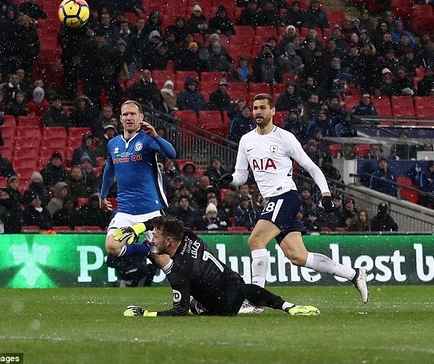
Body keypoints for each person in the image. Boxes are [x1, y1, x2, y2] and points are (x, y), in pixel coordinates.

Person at [218, 93, 369, 308]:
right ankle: (354, 273)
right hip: (272, 200)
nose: (258, 112)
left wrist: (325, 193)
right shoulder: (246, 140)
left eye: (262, 108)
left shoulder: (285, 137)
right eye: (255, 108)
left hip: (285, 196)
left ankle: (255, 302)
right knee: (298, 257)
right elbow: (241, 175)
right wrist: (230, 180)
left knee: (256, 241)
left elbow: (311, 167)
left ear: (273, 111)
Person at [119, 216, 320, 317]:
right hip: (235, 285)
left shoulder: (180, 270)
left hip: (220, 308)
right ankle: (289, 307)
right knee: (246, 288)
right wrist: (139, 228)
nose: (153, 238)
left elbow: (178, 312)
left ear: (169, 241)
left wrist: (146, 313)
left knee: (190, 303)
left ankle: (238, 306)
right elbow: (162, 222)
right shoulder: (189, 235)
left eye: (156, 236)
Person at [101, 100, 177, 259]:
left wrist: (156, 136)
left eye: (133, 114)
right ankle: (146, 250)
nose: (129, 117)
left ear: (141, 117)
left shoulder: (148, 139)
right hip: (125, 211)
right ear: (120, 119)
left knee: (166, 262)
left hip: (151, 211)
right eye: (125, 114)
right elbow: (109, 169)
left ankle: (153, 252)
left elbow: (172, 154)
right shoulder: (113, 144)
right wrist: (103, 196)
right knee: (112, 247)